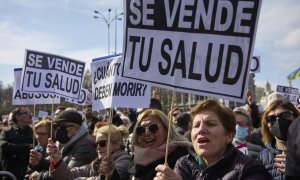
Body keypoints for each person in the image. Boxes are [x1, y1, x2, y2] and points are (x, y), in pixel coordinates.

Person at [155, 100, 272, 180]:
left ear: (229, 136)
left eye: (210, 124)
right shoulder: (184, 165)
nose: (201, 129)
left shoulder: (250, 169)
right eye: (196, 125)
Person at [48, 124, 131, 180]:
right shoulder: (96, 163)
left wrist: (110, 175)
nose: (98, 147)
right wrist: (57, 159)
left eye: (102, 143)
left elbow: (115, 178)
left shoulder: (125, 161)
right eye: (96, 144)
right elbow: (69, 175)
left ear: (116, 145)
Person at [125, 109, 191, 180]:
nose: (146, 133)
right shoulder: (136, 158)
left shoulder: (183, 157)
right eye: (141, 129)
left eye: (153, 127)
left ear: (166, 130)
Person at [36, 109, 97, 179]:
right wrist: (39, 161)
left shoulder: (85, 145)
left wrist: (41, 176)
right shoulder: (62, 142)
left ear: (76, 128)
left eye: (63, 126)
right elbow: (51, 161)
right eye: (56, 126)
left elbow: (68, 174)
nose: (59, 129)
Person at [260, 99, 299, 180]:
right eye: (271, 119)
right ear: (267, 125)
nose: (278, 121)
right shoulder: (262, 156)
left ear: (295, 117)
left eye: (285, 115)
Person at [0, 106, 33, 180]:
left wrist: (16, 150)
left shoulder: (33, 132)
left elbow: (36, 148)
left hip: (28, 174)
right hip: (10, 175)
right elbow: (5, 148)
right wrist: (28, 146)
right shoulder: (6, 131)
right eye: (26, 113)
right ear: (17, 117)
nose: (30, 115)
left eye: (30, 112)